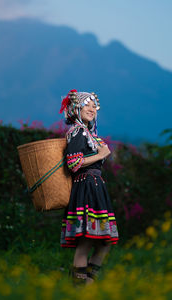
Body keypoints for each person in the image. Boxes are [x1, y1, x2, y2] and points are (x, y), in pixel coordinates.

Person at [59, 89, 119, 285]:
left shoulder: (88, 133)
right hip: (85, 188)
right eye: (88, 104)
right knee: (86, 241)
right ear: (77, 108)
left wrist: (101, 153)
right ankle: (80, 288)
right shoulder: (77, 132)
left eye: (95, 106)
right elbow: (73, 163)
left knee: (105, 242)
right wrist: (101, 155)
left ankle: (87, 283)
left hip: (95, 188)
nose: (92, 108)